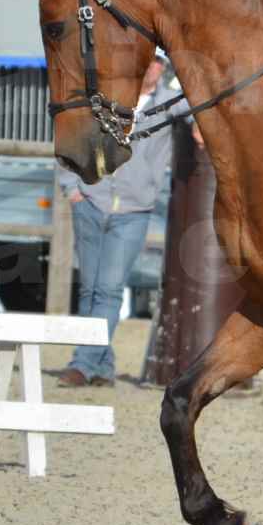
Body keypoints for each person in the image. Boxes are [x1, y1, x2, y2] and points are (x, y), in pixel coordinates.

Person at [56, 51, 188, 387]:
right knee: (90, 289)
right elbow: (71, 132)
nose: (154, 67)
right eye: (150, 60)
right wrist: (71, 186)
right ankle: (103, 366)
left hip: (133, 211)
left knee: (110, 290)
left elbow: (202, 107)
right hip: (90, 200)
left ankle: (82, 364)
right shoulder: (106, 97)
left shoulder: (171, 103)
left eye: (160, 62)